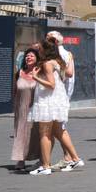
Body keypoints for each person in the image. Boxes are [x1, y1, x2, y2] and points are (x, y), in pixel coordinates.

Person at [27, 40, 71, 175]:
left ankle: (45, 165)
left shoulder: (47, 63)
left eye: (39, 49)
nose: (37, 51)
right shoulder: (57, 62)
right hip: (56, 100)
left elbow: (51, 84)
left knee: (45, 133)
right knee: (59, 132)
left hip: (48, 101)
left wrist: (35, 77)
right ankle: (72, 158)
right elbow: (67, 75)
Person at [42, 31, 84, 171]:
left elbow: (66, 74)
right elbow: (70, 74)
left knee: (56, 129)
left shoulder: (53, 55)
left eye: (47, 39)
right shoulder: (68, 54)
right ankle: (68, 157)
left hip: (54, 95)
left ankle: (69, 158)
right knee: (58, 128)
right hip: (62, 94)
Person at [11, 44, 43, 173]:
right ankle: (20, 159)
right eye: (27, 55)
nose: (28, 57)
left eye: (31, 55)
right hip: (21, 108)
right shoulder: (20, 72)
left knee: (34, 134)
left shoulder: (40, 73)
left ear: (37, 58)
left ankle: (40, 158)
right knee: (20, 134)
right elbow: (15, 90)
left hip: (35, 109)